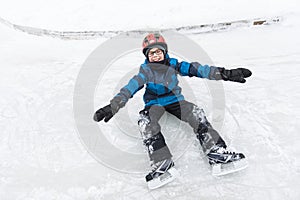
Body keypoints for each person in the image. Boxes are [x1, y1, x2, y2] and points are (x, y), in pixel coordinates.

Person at [93, 32, 252, 189]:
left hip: (174, 100)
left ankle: (216, 151)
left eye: (158, 52)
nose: (155, 56)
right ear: (147, 56)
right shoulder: (145, 71)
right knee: (145, 122)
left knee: (195, 113)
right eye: (151, 53)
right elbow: (130, 88)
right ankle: (162, 161)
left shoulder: (174, 65)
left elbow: (199, 69)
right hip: (154, 103)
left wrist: (226, 73)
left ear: (165, 52)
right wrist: (114, 105)